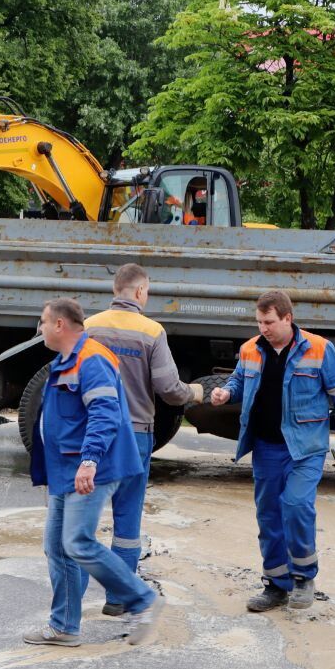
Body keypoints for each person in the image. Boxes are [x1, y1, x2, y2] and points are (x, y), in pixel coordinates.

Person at [25, 297, 165, 648]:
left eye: (43, 321)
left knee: (77, 542)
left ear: (59, 324)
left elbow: (105, 412)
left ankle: (142, 599)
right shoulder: (65, 361)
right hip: (65, 471)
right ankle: (64, 627)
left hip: (91, 469)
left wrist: (89, 460)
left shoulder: (92, 359)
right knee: (58, 547)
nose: (40, 328)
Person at [209, 290, 335, 612]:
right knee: (269, 516)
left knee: (295, 505)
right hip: (266, 447)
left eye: (269, 322)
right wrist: (225, 393)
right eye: (259, 321)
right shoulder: (250, 349)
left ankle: (304, 578)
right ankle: (276, 584)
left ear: (287, 318)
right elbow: (238, 381)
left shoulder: (319, 349)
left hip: (305, 448)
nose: (263, 328)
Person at [84, 264, 204, 616]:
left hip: (93, 436)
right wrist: (194, 392)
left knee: (81, 525)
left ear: (115, 289)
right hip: (133, 436)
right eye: (147, 292)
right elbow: (169, 390)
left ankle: (70, 606)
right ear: (139, 292)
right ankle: (118, 598)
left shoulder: (89, 327)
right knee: (127, 521)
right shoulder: (151, 331)